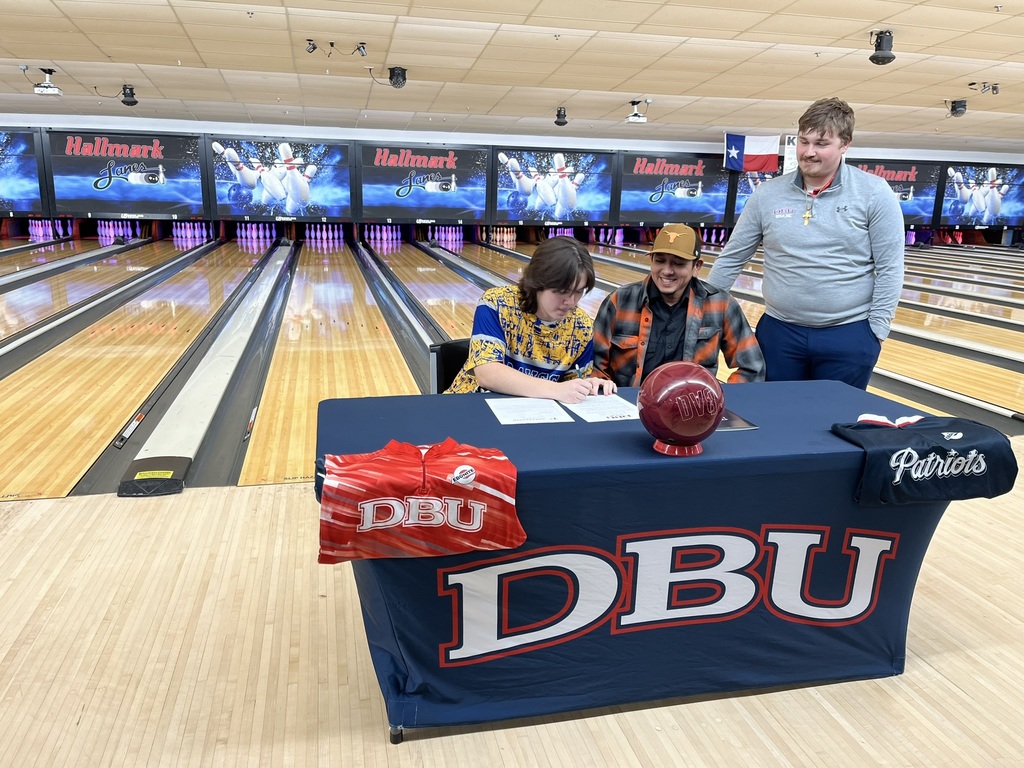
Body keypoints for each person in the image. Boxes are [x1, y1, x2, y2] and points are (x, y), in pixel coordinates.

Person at [706, 97, 905, 390]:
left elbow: (890, 267)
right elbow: (732, 257)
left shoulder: (874, 193)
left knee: (836, 422)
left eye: (821, 143)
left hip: (849, 333)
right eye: (803, 141)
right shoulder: (767, 195)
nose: (809, 152)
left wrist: (876, 332)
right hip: (779, 332)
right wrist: (701, 310)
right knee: (774, 417)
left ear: (844, 144)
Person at [445, 236, 617, 403]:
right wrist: (556, 390)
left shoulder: (582, 327)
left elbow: (572, 387)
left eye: (579, 291)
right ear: (538, 282)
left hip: (532, 416)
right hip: (471, 405)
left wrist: (588, 387)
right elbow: (487, 374)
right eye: (562, 291)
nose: (571, 302)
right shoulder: (496, 304)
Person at [592, 224, 765, 387]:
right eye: (660, 261)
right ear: (651, 260)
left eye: (679, 263)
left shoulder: (721, 304)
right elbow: (595, 368)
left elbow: (752, 367)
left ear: (696, 267)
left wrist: (716, 400)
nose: (667, 271)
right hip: (630, 404)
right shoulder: (619, 301)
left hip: (692, 409)